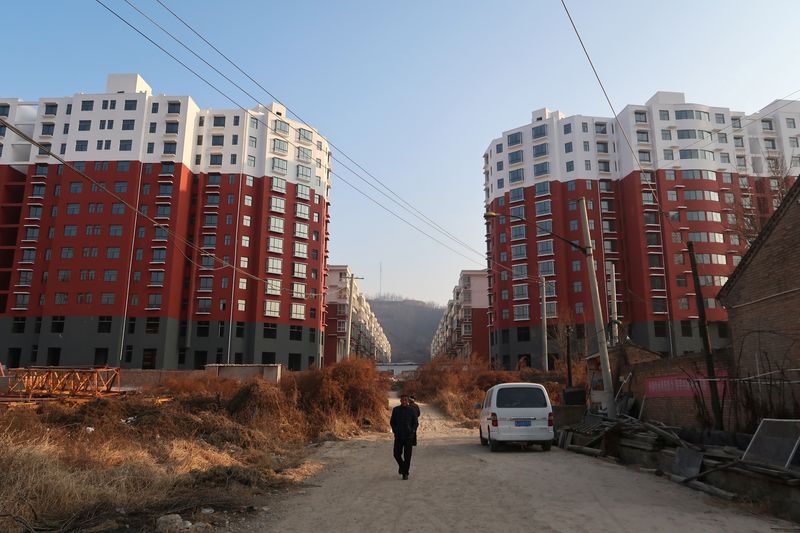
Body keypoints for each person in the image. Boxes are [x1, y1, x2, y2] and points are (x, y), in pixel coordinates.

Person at [390, 394, 419, 480]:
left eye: (405, 400)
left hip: (408, 437)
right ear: (400, 401)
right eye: (402, 400)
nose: (404, 402)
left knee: (407, 456)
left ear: (408, 401)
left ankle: (405, 473)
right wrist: (395, 430)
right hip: (398, 436)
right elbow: (392, 422)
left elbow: (416, 423)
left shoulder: (412, 410)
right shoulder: (396, 410)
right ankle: (402, 466)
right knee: (396, 454)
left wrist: (412, 431)